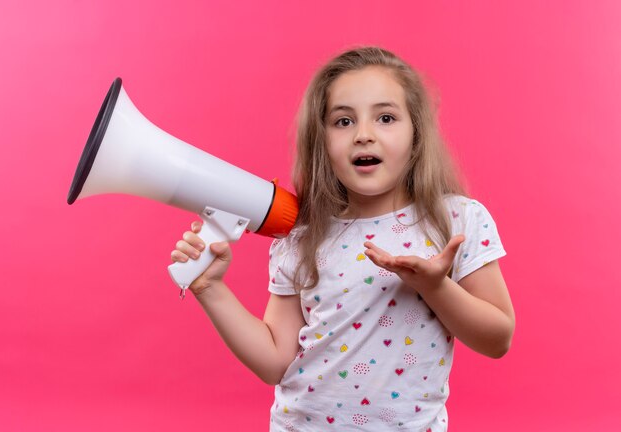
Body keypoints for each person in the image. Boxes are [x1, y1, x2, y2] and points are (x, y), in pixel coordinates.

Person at [170, 46, 515, 431]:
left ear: (416, 133)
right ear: (322, 140)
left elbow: (497, 338)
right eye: (343, 121)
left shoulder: (456, 220)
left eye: (385, 118)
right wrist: (210, 289)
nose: (363, 135)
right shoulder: (301, 239)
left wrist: (435, 288)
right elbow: (274, 362)